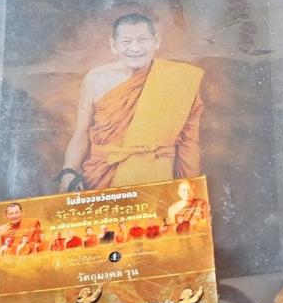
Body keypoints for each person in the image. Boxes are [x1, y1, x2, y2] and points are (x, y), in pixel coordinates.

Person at [59, 13, 205, 191]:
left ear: (156, 41)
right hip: (102, 175)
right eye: (126, 42)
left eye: (142, 40)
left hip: (156, 177)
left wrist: (191, 189)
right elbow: (81, 133)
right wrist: (68, 171)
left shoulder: (179, 79)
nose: (135, 48)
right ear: (114, 45)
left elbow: (189, 141)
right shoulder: (95, 79)